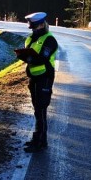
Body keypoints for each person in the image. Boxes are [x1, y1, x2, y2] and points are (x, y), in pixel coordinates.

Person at [17, 11, 59, 152]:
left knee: (41, 109)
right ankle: (38, 139)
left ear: (42, 24)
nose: (34, 29)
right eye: (32, 27)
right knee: (37, 109)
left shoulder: (49, 40)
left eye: (36, 27)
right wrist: (23, 56)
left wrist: (28, 58)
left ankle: (40, 142)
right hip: (34, 78)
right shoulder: (30, 38)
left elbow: (42, 58)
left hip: (45, 78)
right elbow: (30, 55)